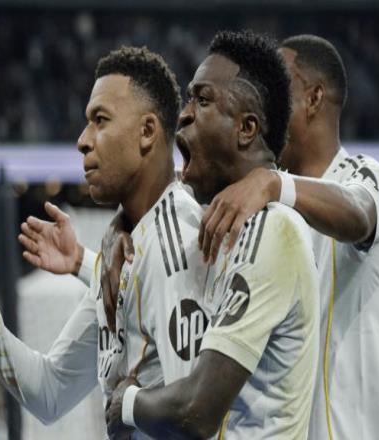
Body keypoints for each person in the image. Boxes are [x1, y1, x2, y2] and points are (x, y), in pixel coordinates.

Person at [0, 46, 214, 439]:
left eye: (100, 120)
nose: (82, 140)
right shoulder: (122, 258)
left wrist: (129, 407)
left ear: (147, 131)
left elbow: (198, 419)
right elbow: (50, 393)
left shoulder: (178, 244)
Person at [105, 30, 319, 439]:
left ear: (246, 128)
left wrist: (125, 403)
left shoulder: (273, 230)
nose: (184, 115)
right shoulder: (219, 222)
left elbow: (197, 412)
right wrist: (120, 226)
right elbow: (157, 200)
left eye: (202, 101)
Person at [195, 34, 379, 440]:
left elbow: (359, 214)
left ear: (314, 98)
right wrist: (111, 240)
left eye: (281, 89)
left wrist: (273, 183)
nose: (270, 103)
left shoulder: (361, 174)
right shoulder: (262, 204)